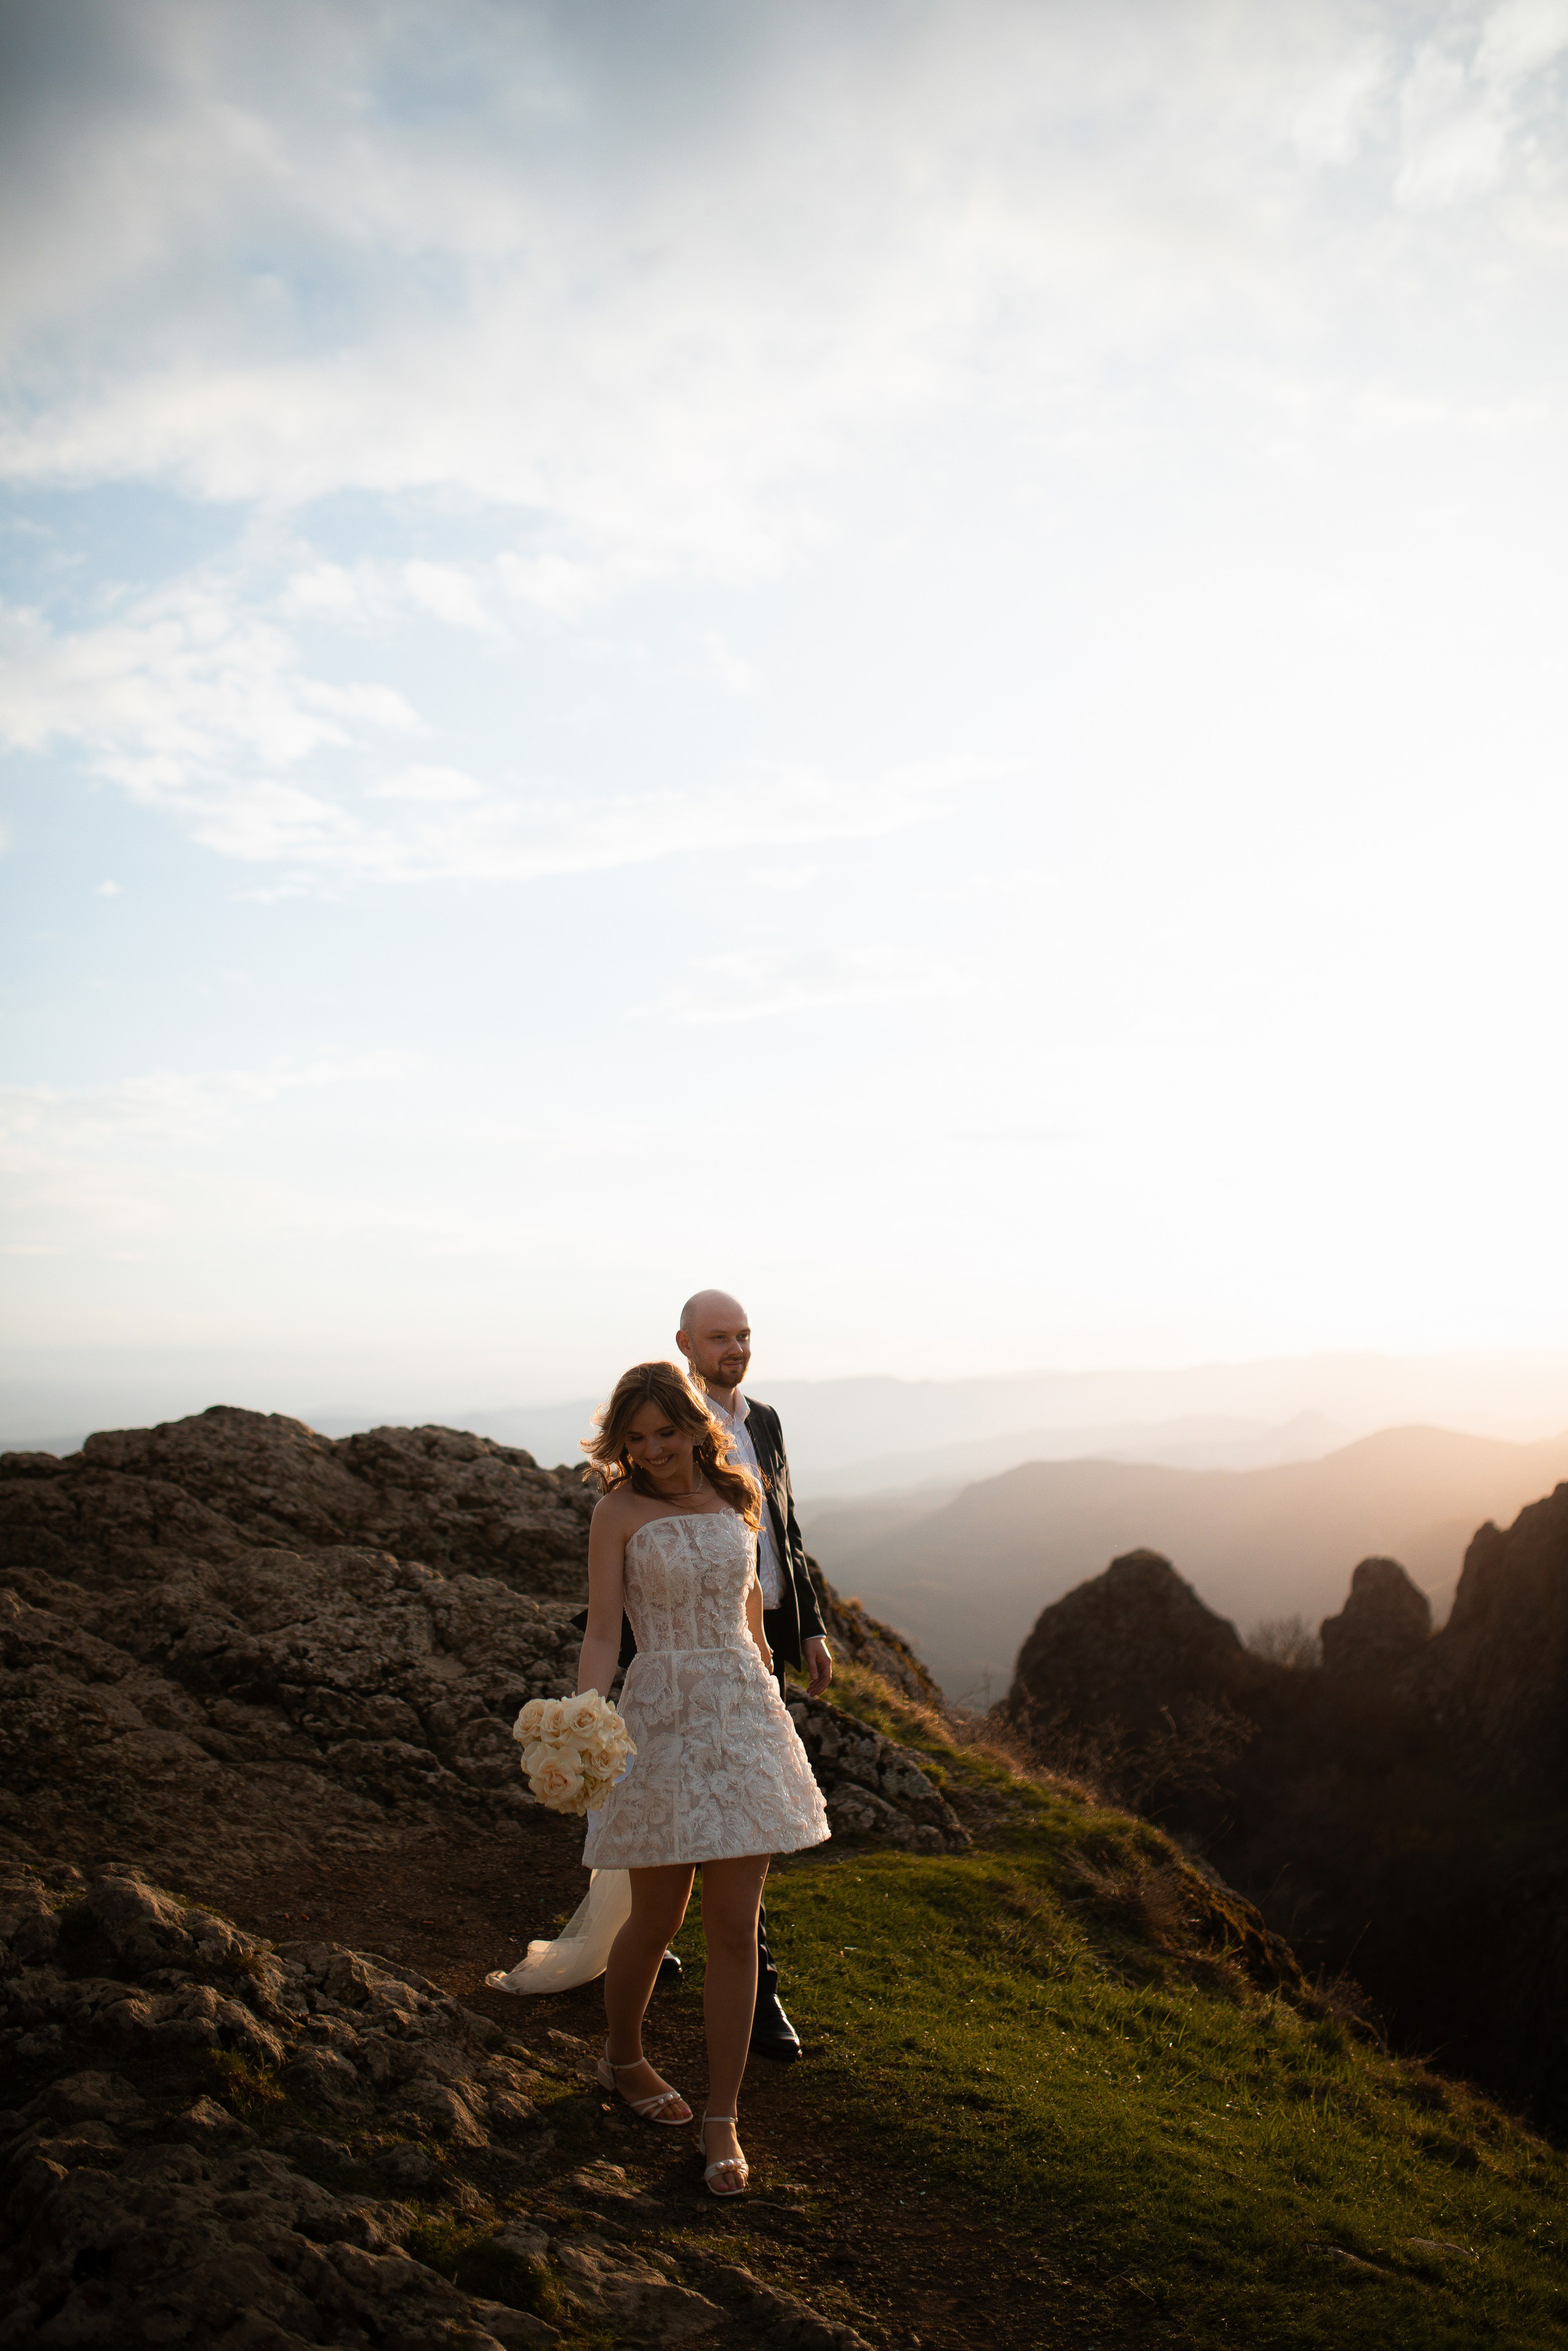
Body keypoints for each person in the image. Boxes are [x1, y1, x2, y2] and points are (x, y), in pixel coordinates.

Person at [571, 1360, 828, 2197]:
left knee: (734, 1926)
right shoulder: (617, 1511)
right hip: (660, 1713)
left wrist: (763, 1692)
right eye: (635, 1438)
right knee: (656, 1917)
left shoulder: (737, 1493)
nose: (652, 1450)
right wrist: (583, 1718)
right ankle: (623, 2058)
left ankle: (723, 2117)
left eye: (666, 1433)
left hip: (742, 1714)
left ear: (695, 1426)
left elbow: (750, 1602)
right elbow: (604, 1631)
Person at [675, 1288, 832, 2062]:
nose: (734, 1349)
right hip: (699, 1636)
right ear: (685, 1344)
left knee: (741, 1802)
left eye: (742, 1335)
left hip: (765, 1630)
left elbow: (785, 1528)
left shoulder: (763, 1420)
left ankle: (738, 1977)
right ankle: (747, 1983)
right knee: (699, 1795)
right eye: (718, 1337)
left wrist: (808, 1626)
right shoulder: (670, 1423)